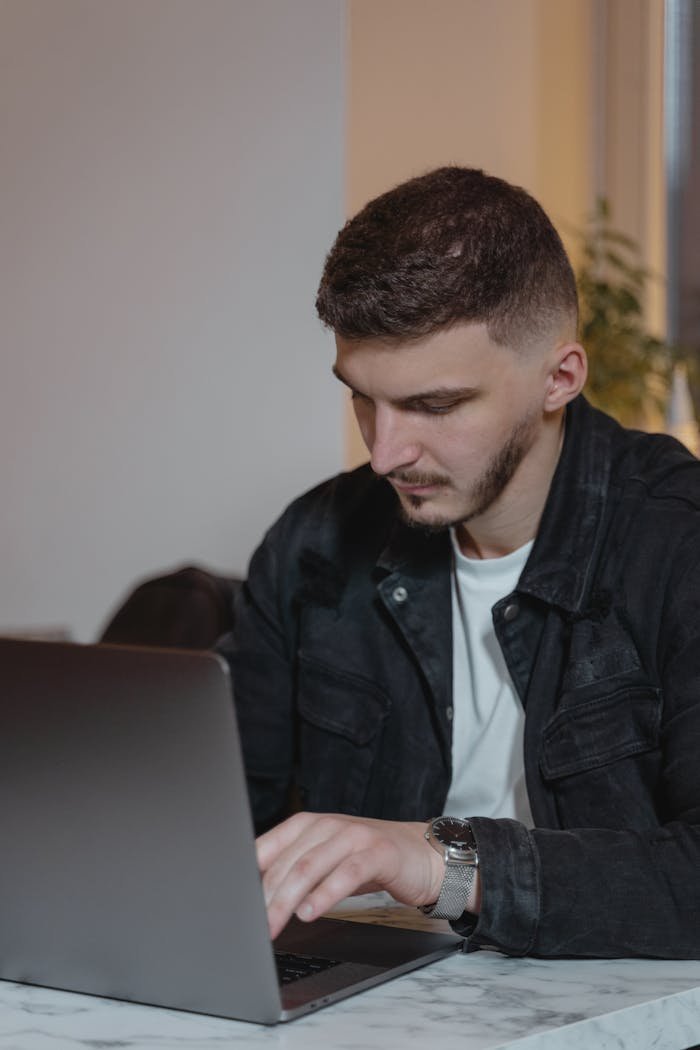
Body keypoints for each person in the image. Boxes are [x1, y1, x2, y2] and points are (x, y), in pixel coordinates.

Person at [223, 166, 700, 959]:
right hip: (379, 1008)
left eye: (434, 406)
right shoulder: (313, 545)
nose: (384, 452)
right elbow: (219, 828)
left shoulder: (677, 543)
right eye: (362, 397)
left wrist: (443, 864)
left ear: (560, 377)